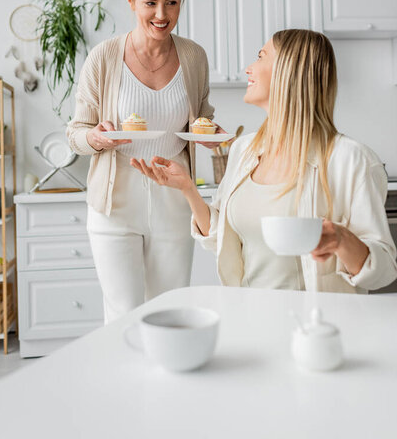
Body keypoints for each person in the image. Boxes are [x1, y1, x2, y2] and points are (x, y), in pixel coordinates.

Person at [131, 29, 397, 293]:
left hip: (313, 326)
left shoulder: (350, 159)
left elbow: (383, 271)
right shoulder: (244, 149)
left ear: (289, 71)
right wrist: (188, 189)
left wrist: (341, 239)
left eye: (260, 56)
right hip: (251, 317)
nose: (249, 68)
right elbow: (221, 240)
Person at [67, 0, 224, 323]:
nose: (162, 15)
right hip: (115, 200)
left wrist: (211, 134)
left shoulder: (194, 57)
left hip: (173, 198)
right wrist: (98, 139)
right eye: (150, 3)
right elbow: (76, 132)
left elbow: (202, 118)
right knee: (122, 314)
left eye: (172, 3)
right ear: (130, 0)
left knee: (169, 314)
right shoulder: (104, 57)